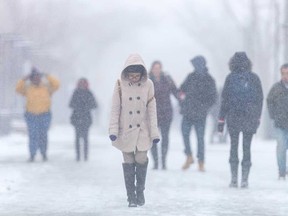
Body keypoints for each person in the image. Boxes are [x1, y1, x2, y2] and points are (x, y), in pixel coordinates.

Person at [109, 54, 160, 207]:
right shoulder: (119, 84)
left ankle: (140, 190)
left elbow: (152, 110)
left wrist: (154, 132)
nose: (133, 78)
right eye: (131, 75)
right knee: (129, 161)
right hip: (125, 130)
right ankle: (131, 197)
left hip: (142, 130)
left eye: (136, 75)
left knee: (141, 158)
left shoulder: (149, 84)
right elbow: (115, 109)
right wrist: (113, 130)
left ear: (142, 74)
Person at [218, 52, 263, 188]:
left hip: (233, 117)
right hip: (249, 117)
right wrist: (257, 117)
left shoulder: (230, 78)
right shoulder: (254, 78)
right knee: (246, 148)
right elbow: (259, 99)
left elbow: (224, 100)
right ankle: (244, 178)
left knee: (233, 147)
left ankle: (234, 178)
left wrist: (221, 120)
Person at [179, 55, 217, 171]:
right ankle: (189, 156)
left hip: (200, 114)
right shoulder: (190, 77)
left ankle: (201, 161)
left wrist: (205, 107)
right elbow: (181, 90)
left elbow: (214, 97)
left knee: (200, 138)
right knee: (185, 134)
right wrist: (183, 103)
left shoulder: (209, 79)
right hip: (188, 112)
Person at [16, 67, 60, 162]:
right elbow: (18, 88)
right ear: (31, 78)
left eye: (38, 77)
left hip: (45, 114)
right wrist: (24, 78)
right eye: (34, 77)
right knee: (33, 135)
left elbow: (57, 84)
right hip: (31, 115)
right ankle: (32, 154)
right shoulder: (27, 88)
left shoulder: (47, 87)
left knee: (43, 135)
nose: (36, 79)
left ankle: (44, 153)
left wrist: (47, 75)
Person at [149, 61, 179, 170]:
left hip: (166, 113)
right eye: (154, 68)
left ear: (161, 69)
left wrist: (184, 102)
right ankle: (156, 162)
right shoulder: (147, 81)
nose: (156, 70)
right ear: (151, 69)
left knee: (165, 138)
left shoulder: (167, 79)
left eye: (158, 68)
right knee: (153, 139)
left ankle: (164, 161)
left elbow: (176, 93)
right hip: (152, 114)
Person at [267, 63, 288, 180]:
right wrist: (273, 115)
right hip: (280, 123)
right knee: (281, 147)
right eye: (283, 73)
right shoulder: (276, 88)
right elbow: (269, 101)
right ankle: (282, 172)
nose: (285, 76)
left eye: (287, 73)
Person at [69, 78, 98, 161]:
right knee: (78, 138)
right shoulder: (76, 93)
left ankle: (85, 156)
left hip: (85, 119)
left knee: (85, 138)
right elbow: (71, 104)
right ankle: (78, 156)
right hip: (78, 118)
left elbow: (94, 105)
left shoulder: (88, 93)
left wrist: (84, 107)